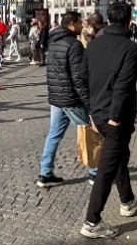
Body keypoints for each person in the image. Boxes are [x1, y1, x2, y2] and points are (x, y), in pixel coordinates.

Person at [80, 2, 137, 239]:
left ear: (109, 20)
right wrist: (116, 117)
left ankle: (128, 200)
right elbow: (123, 86)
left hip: (98, 114)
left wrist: (90, 109)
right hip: (115, 118)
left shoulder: (93, 46)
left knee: (118, 158)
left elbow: (82, 79)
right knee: (107, 169)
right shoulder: (132, 49)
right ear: (128, 20)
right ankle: (92, 221)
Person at [38, 10, 96, 188]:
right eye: (79, 22)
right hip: (71, 100)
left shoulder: (53, 42)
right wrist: (89, 103)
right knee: (88, 132)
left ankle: (45, 173)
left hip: (56, 99)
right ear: (72, 24)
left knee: (53, 136)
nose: (82, 26)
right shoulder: (73, 44)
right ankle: (95, 173)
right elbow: (79, 78)